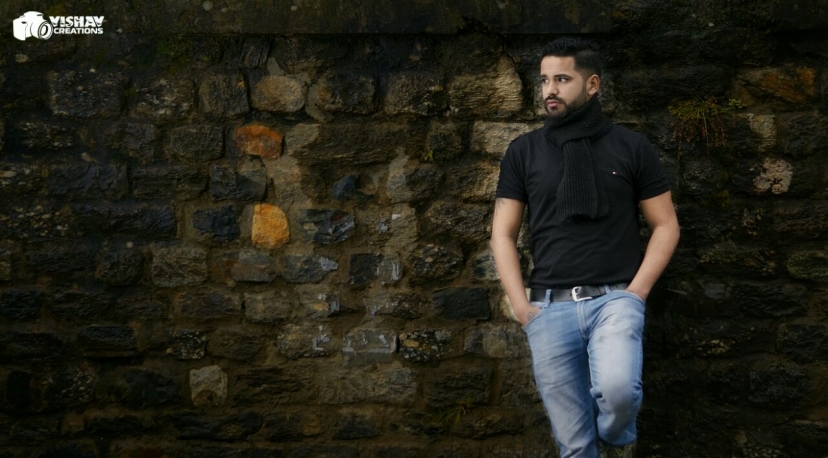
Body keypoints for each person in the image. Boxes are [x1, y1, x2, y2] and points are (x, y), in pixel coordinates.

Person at [491, 37, 680, 458]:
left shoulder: (631, 147)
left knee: (618, 392)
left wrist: (636, 294)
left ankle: (615, 437)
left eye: (562, 79)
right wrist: (522, 307)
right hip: (548, 308)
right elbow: (503, 234)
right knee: (575, 447)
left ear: (592, 84)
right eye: (544, 80)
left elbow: (666, 224)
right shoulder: (524, 151)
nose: (550, 90)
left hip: (615, 300)